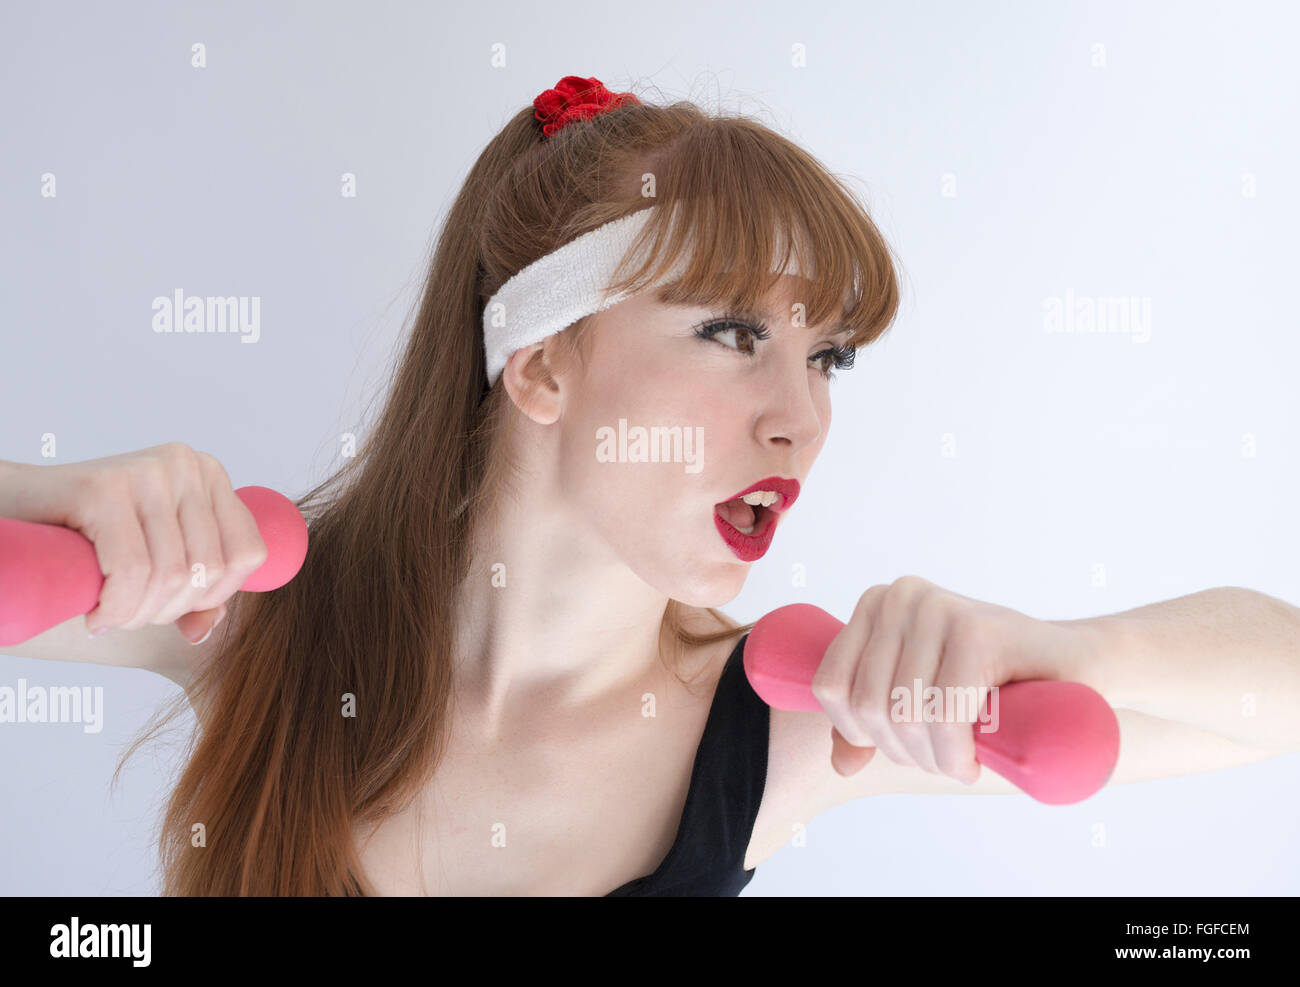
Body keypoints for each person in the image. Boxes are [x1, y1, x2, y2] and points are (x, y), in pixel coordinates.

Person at [3, 76, 1297, 896]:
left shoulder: (789, 731)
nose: (802, 417)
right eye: (734, 334)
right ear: (545, 364)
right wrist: (54, 494)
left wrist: (1082, 650)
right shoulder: (239, 623)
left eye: (828, 355)